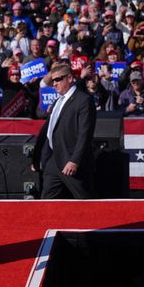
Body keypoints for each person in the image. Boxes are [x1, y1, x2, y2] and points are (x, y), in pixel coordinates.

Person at [32, 64, 96, 199]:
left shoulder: (83, 100)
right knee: (46, 201)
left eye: (58, 79)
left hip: (71, 162)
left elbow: (85, 134)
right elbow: (47, 131)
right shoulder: (57, 102)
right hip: (53, 160)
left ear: (70, 78)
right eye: (52, 81)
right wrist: (37, 158)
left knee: (84, 200)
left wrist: (74, 160)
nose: (54, 84)